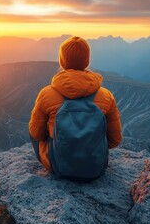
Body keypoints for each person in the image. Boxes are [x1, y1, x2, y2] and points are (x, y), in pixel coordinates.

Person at [29, 36, 122, 181]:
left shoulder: (46, 94)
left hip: (59, 166)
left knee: (34, 127)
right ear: (87, 61)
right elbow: (114, 140)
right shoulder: (106, 96)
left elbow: (37, 134)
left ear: (62, 60)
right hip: (95, 168)